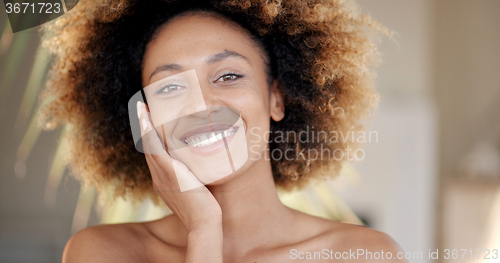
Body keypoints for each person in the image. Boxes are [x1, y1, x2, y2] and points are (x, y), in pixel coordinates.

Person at [38, 0, 405, 262]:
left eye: (228, 76)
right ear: (143, 119)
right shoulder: (104, 253)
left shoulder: (364, 255)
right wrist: (203, 230)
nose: (199, 106)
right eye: (169, 87)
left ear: (276, 98)